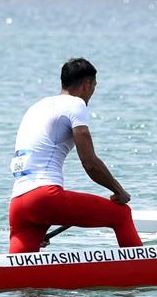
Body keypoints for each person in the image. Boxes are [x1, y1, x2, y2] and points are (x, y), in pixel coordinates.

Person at [8, 58, 142, 253]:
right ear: (87, 85)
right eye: (94, 87)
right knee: (121, 215)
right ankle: (140, 271)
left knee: (18, 273)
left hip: (19, 204)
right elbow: (90, 163)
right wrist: (119, 191)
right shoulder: (75, 104)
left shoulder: (37, 107)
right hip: (44, 197)